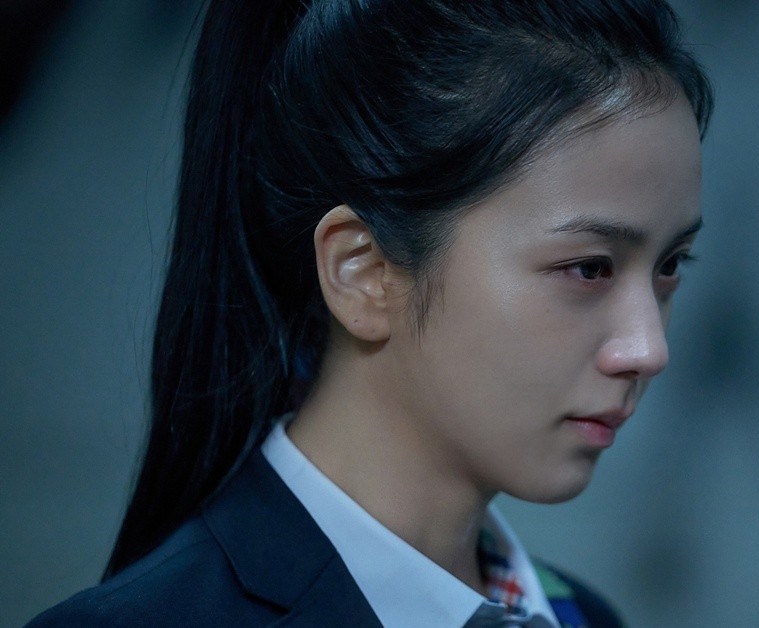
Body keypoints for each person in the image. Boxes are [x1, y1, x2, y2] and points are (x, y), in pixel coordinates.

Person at [27, 0, 711, 625]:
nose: (648, 349)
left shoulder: (586, 617)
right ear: (363, 272)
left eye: (671, 264)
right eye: (589, 268)